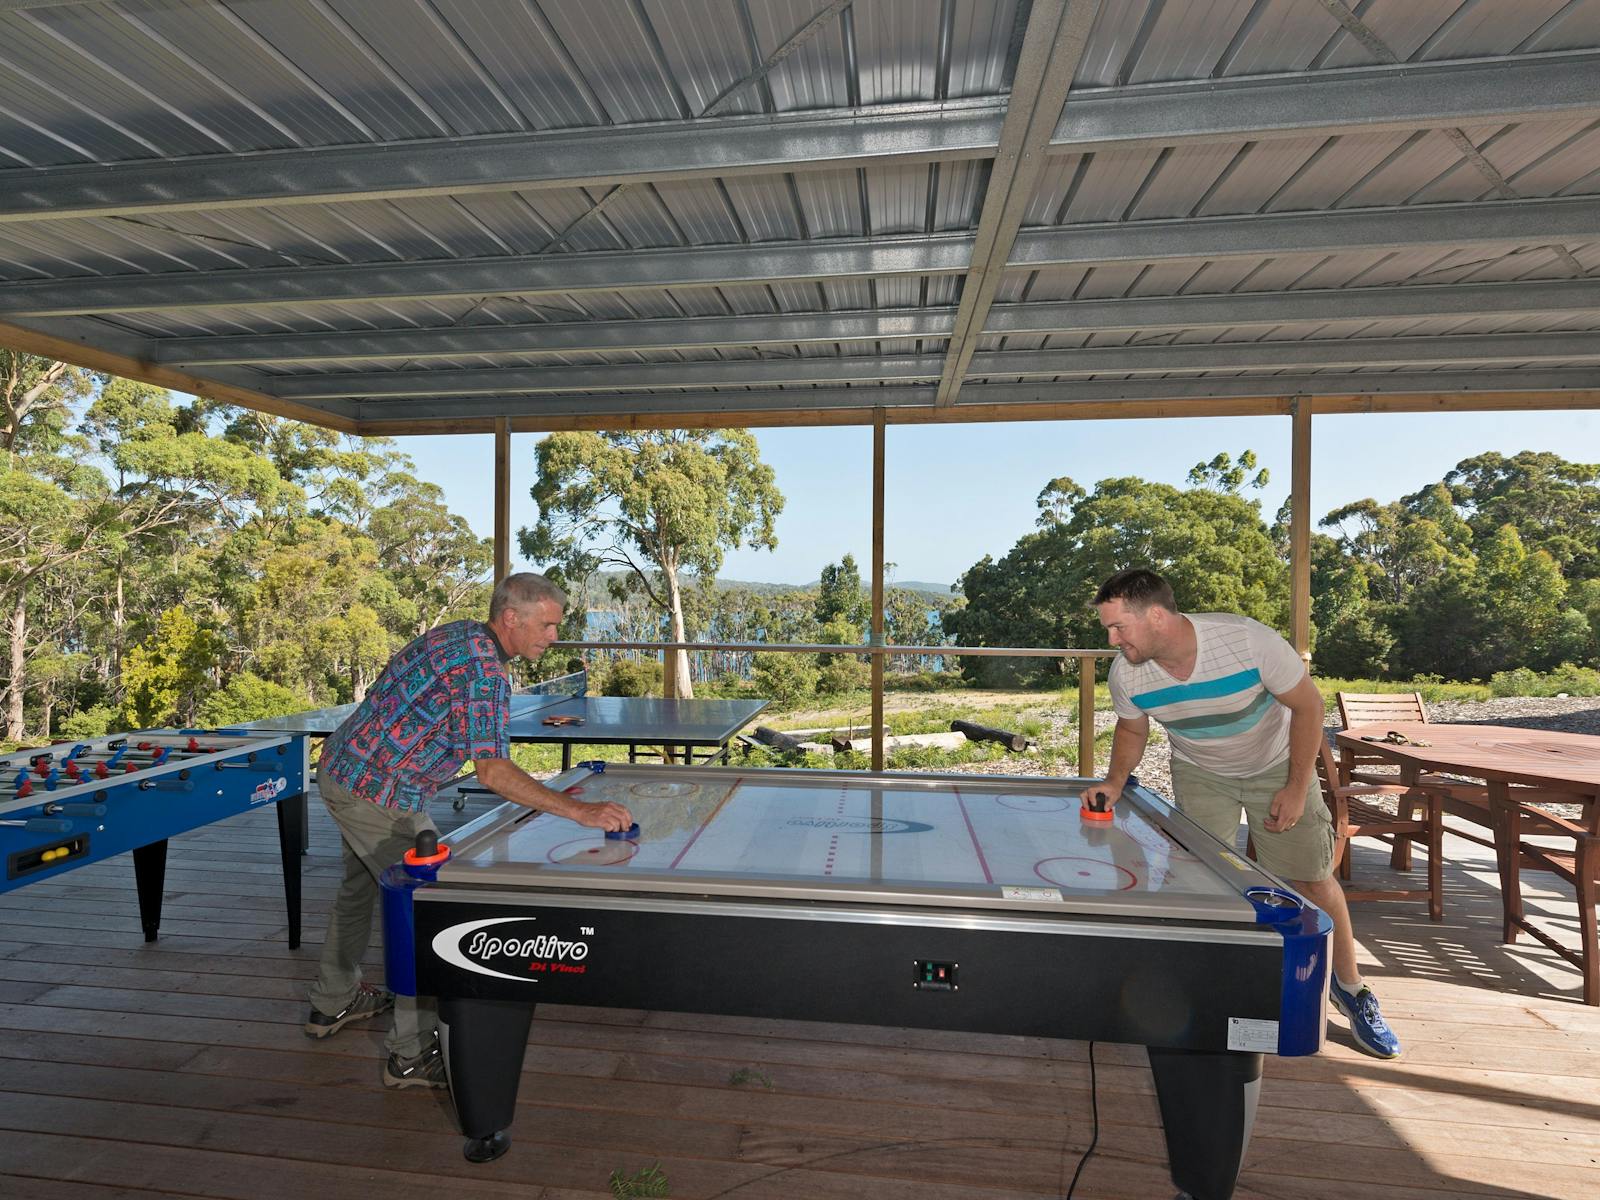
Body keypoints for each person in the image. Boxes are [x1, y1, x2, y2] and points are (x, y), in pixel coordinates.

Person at [302, 572, 634, 1086]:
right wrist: (581, 813)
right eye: (545, 625)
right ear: (510, 618)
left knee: (361, 888)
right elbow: (493, 772)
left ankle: (333, 1001)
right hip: (379, 790)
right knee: (422, 911)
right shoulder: (484, 673)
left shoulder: (460, 632)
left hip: (348, 766)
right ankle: (409, 1054)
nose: (553, 636)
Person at [1082, 568, 1401, 1059]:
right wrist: (1114, 782)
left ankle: (1352, 990)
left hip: (1276, 764)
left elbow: (1310, 708)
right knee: (1205, 880)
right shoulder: (1128, 672)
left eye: (1118, 626)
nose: (1112, 638)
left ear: (1159, 618)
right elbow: (1132, 732)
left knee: (1311, 881)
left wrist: (1297, 787)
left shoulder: (1246, 640)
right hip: (1200, 770)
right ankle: (1218, 983)